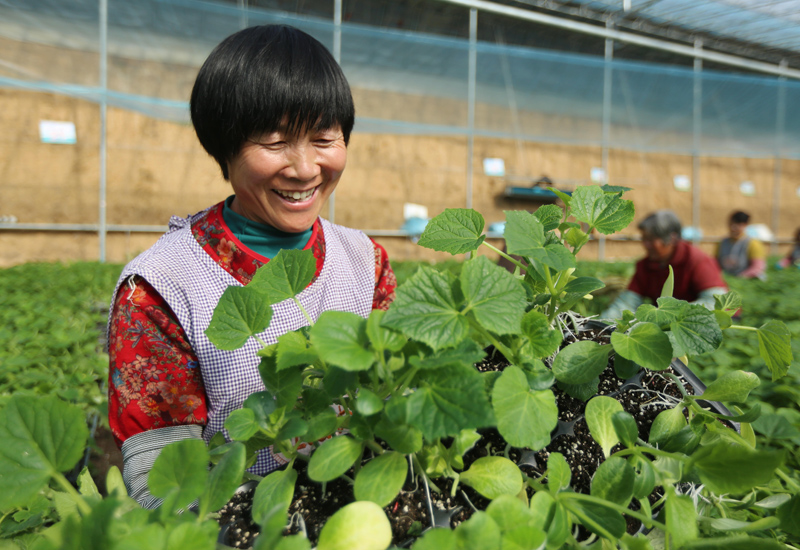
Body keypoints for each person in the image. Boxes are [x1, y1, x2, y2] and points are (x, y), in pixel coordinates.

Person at [107, 25, 397, 508]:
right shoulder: (160, 286)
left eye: (324, 139)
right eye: (275, 141)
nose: (305, 168)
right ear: (224, 147)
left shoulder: (365, 261)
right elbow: (164, 481)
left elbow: (390, 403)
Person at [601, 210, 727, 319]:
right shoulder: (645, 265)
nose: (646, 245)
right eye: (644, 239)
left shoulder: (696, 260)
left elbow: (715, 301)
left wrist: (671, 314)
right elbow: (627, 302)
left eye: (651, 240)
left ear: (672, 239)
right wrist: (601, 324)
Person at [715, 210, 766, 279]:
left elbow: (757, 267)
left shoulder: (752, 243)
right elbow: (714, 263)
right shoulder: (722, 243)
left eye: (737, 226)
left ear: (745, 225)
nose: (733, 228)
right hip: (727, 280)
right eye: (731, 224)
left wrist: (740, 277)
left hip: (746, 281)